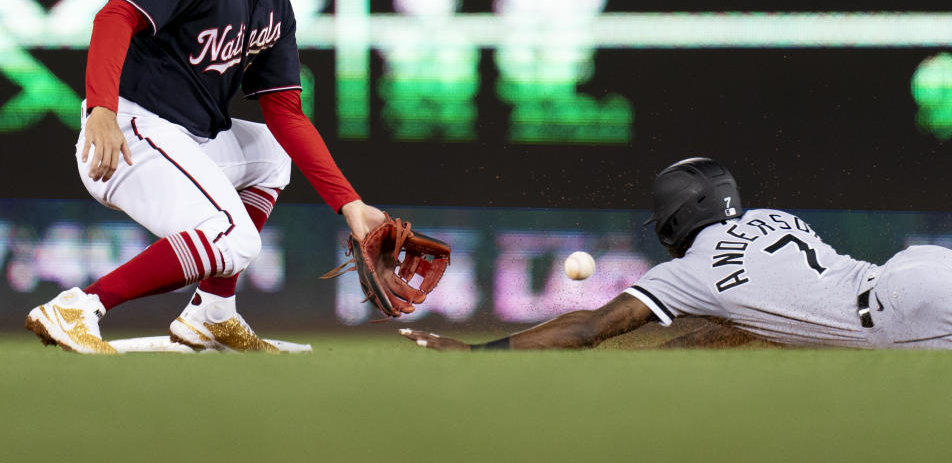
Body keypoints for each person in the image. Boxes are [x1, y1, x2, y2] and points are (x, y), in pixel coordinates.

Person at [25, 0, 386, 354]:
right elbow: (114, 18)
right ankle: (80, 306)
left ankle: (212, 315)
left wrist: (350, 203)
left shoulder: (274, 2)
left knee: (271, 153)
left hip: (182, 142)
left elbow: (285, 114)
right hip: (128, 135)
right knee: (235, 239)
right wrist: (100, 110)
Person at [401, 157, 952, 351]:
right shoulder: (773, 219)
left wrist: (477, 353)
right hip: (913, 272)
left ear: (675, 218)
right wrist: (672, 356)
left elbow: (587, 329)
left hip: (899, 316)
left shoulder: (690, 272)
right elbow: (758, 323)